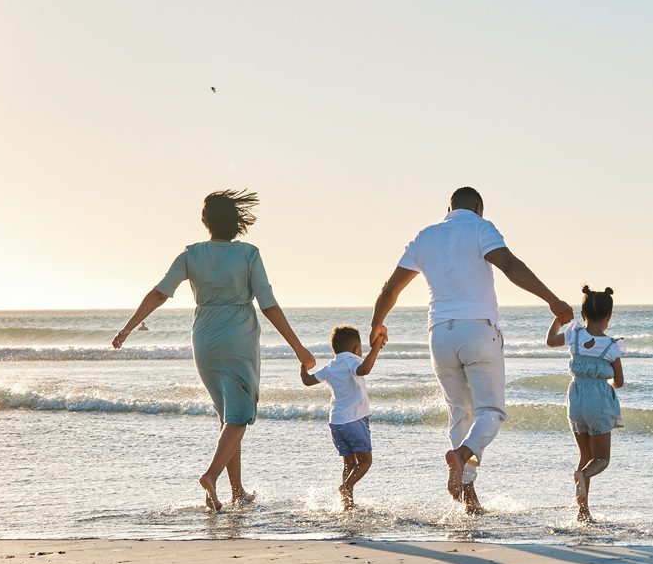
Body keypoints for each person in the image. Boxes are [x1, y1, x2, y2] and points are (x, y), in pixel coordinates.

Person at [371, 187, 574, 514]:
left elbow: (390, 288)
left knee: (460, 414)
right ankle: (463, 456)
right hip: (477, 330)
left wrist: (376, 324)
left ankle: (469, 496)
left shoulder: (425, 236)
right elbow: (509, 265)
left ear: (448, 207)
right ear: (479, 208)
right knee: (490, 413)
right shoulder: (481, 227)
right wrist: (551, 299)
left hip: (439, 336)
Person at [112, 190, 316, 511]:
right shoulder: (249, 254)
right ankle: (211, 475)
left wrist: (127, 327)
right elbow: (269, 305)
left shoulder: (190, 256)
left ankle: (237, 492)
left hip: (204, 339)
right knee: (240, 415)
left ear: (205, 222)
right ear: (236, 222)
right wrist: (299, 347)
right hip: (238, 338)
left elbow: (159, 293)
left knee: (228, 416)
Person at [547, 285, 625, 521]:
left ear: (583, 314)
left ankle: (583, 512)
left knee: (585, 455)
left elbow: (551, 341)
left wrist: (557, 320)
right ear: (609, 316)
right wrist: (605, 385)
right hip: (599, 400)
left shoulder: (575, 334)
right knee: (601, 459)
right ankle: (582, 478)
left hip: (576, 397)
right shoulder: (612, 345)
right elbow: (619, 382)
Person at [299, 324, 385, 510]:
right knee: (365, 461)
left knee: (349, 463)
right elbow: (364, 370)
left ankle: (347, 502)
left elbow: (307, 381)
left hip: (336, 423)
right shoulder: (352, 360)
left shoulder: (331, 366)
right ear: (355, 348)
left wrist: (303, 368)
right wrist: (376, 347)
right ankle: (346, 487)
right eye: (361, 348)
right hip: (354, 420)